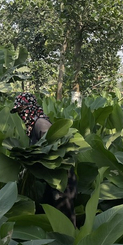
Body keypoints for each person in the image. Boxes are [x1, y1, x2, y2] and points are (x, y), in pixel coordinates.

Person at [10, 92, 77, 226]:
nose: (21, 114)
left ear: (31, 107)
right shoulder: (34, 124)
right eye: (18, 111)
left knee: (63, 214)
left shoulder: (41, 124)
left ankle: (71, 241)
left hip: (60, 178)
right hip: (51, 178)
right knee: (49, 212)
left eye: (22, 110)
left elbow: (55, 150)